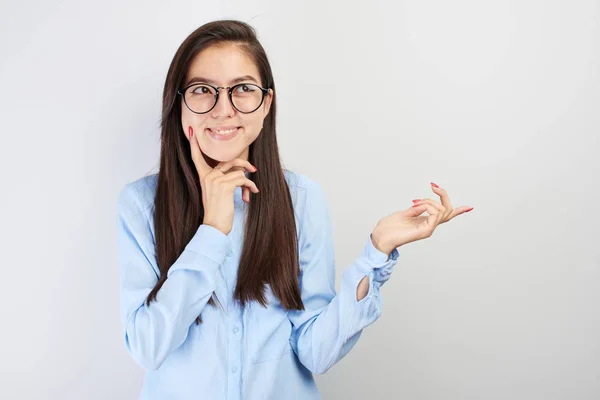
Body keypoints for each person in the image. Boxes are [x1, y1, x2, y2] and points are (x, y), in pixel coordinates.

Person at [116, 19, 473, 400]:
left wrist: (377, 252)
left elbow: (315, 352)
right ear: (179, 103)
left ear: (266, 103)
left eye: (243, 89)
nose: (224, 109)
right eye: (204, 90)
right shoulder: (141, 205)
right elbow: (148, 347)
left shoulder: (302, 200)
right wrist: (212, 230)